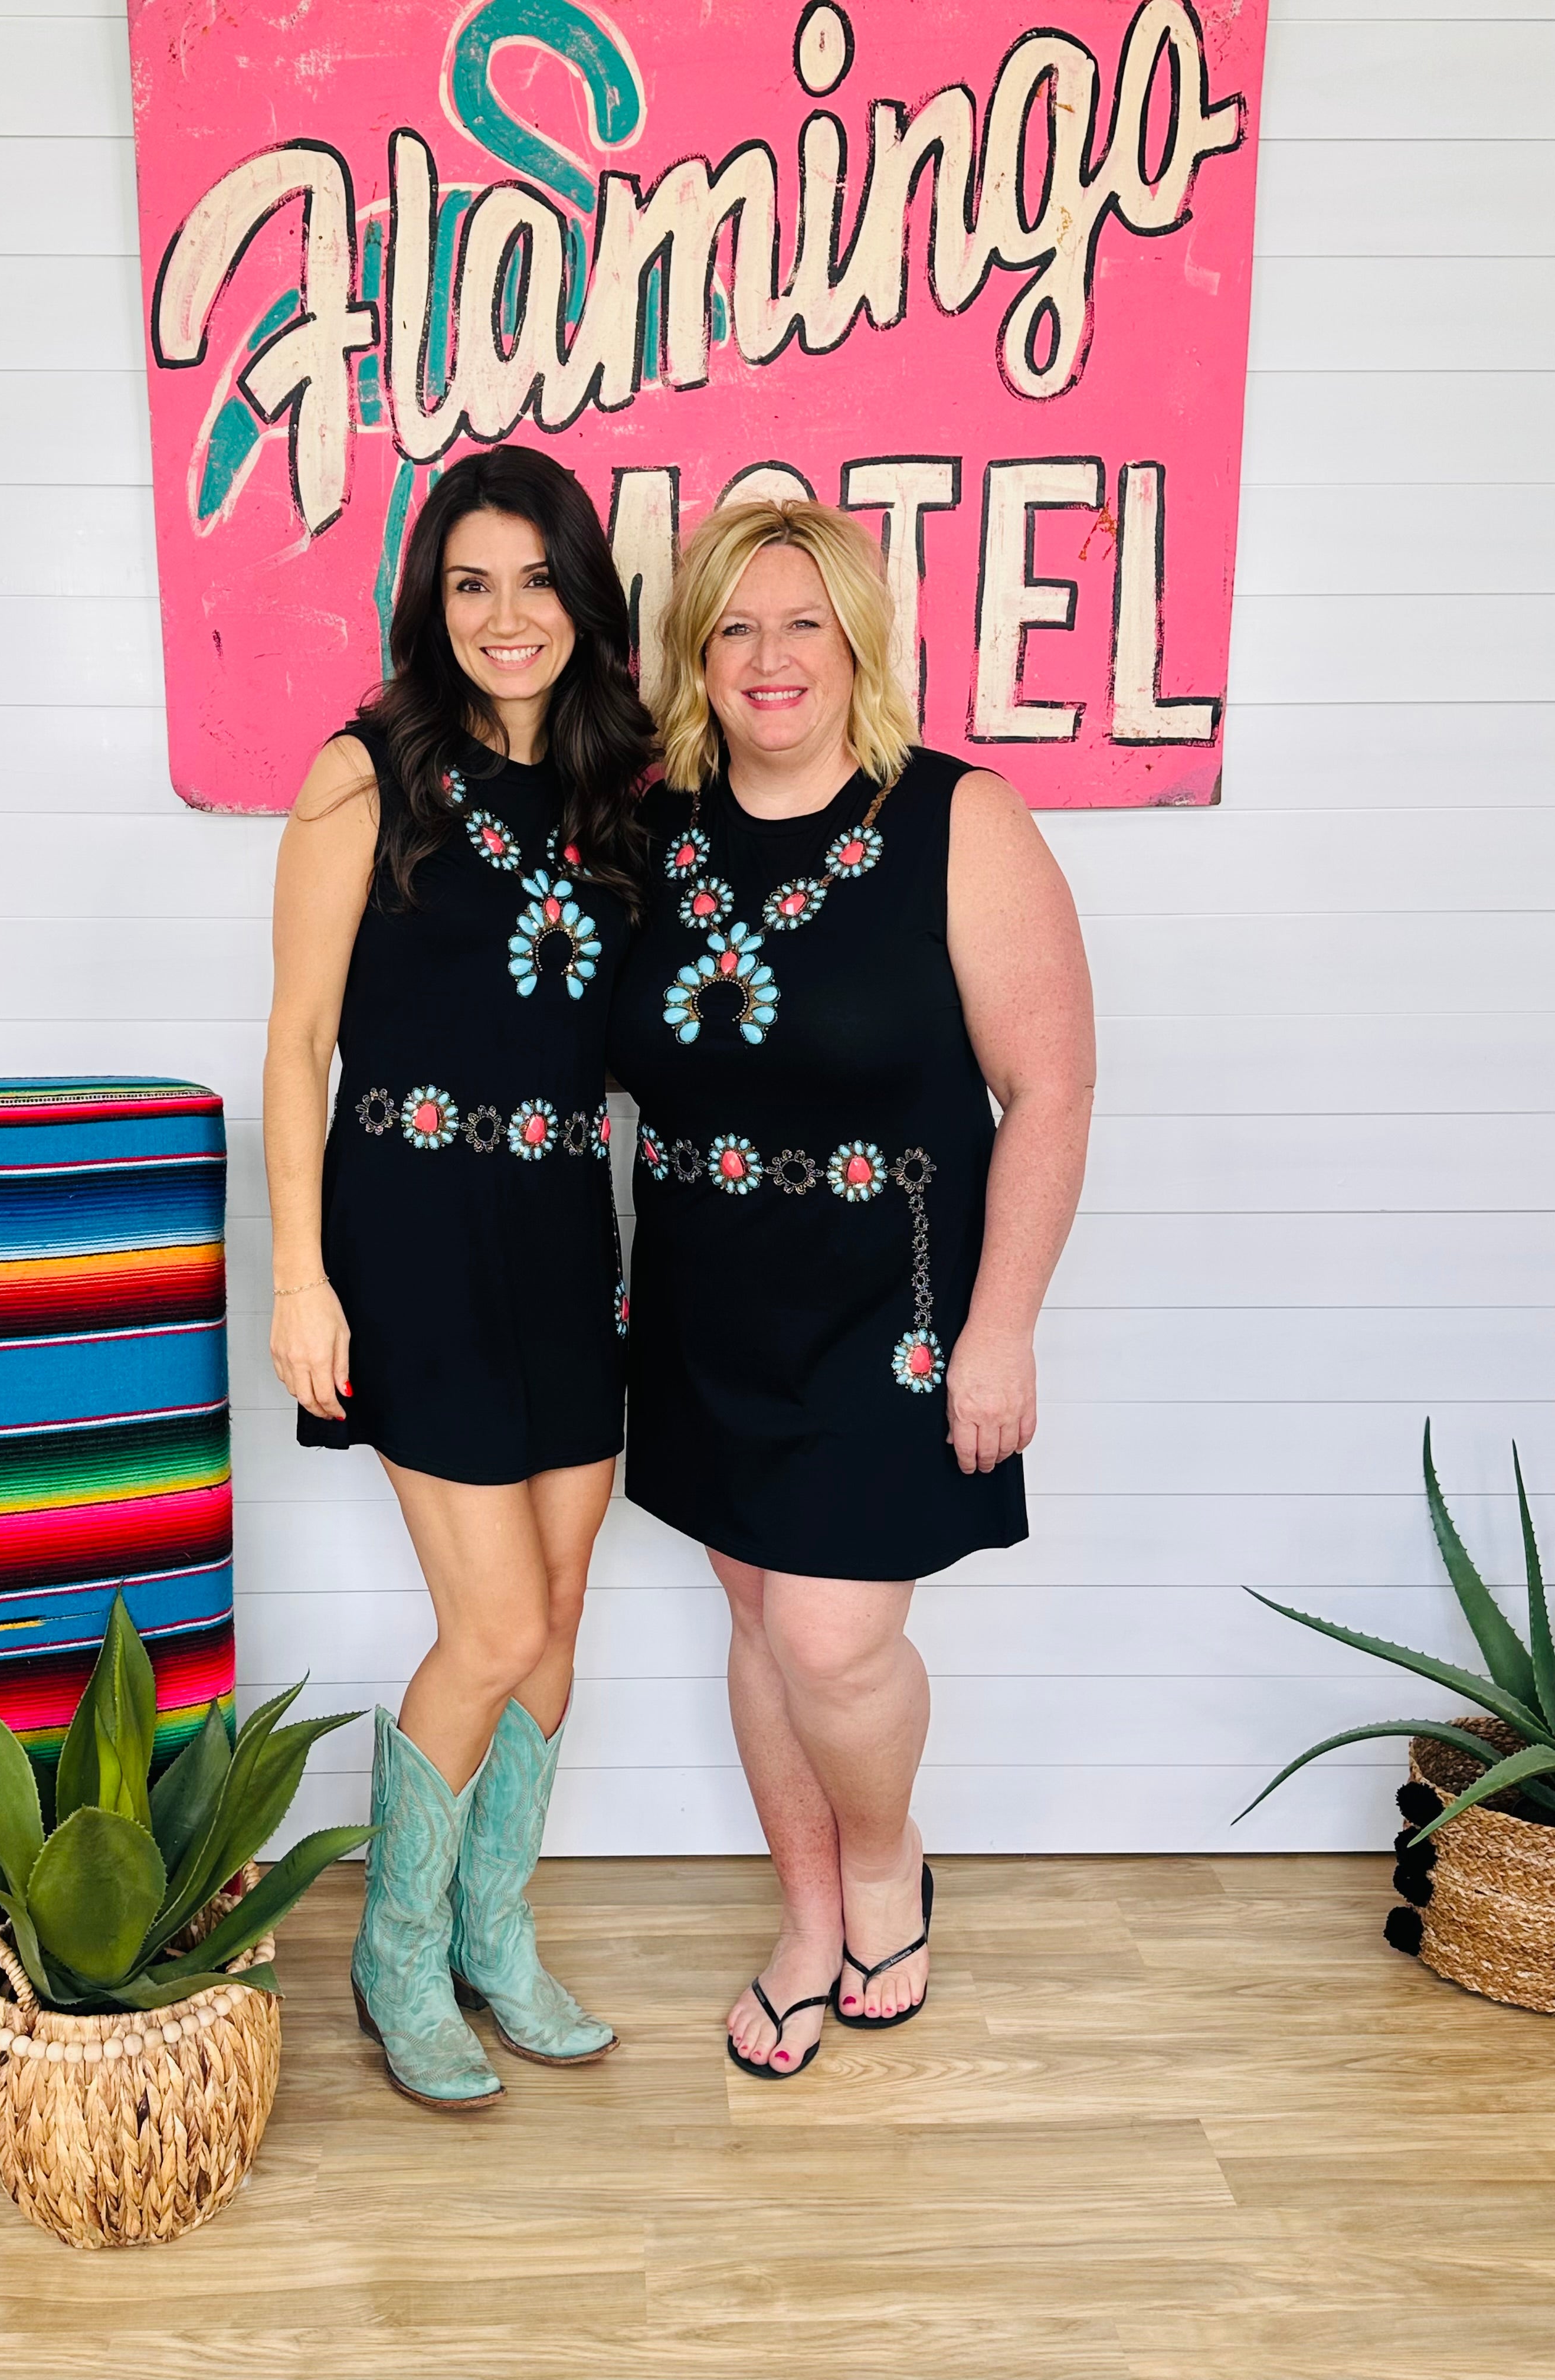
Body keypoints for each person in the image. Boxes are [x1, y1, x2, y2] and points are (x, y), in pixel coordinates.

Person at [607, 499, 1094, 2079]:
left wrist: (1003, 1322)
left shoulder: (961, 819)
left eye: (802, 623)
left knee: (832, 1642)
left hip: (890, 1313)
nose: (769, 657)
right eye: (735, 627)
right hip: (702, 1302)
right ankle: (810, 1916)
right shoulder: (652, 831)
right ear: (697, 659)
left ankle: (887, 1867)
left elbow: (1053, 1089)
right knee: (756, 1621)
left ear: (858, 642)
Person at [263, 446, 652, 2110]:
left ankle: (495, 1929)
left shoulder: (627, 785)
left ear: (585, 595)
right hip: (410, 1232)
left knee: (557, 1613)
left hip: (571, 1227)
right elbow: (295, 1041)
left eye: (539, 578)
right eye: (473, 581)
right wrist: (300, 1275)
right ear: (431, 598)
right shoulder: (366, 772)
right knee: (488, 1620)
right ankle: (396, 1948)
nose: (508, 614)